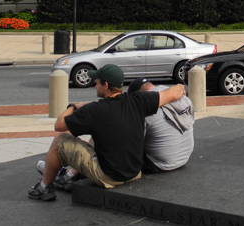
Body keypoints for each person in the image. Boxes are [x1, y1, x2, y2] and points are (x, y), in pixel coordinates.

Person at [28, 64, 186, 201]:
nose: (95, 85)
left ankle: (44, 188)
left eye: (97, 82)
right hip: (134, 172)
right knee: (101, 133)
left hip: (109, 177)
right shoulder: (138, 100)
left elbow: (59, 125)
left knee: (59, 140)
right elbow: (174, 93)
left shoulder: (94, 110)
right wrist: (181, 88)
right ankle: (69, 176)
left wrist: (73, 107)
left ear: (105, 85)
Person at [128, 78, 195, 172]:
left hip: (160, 164)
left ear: (138, 95)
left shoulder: (145, 108)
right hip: (184, 157)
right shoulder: (179, 97)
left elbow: (135, 142)